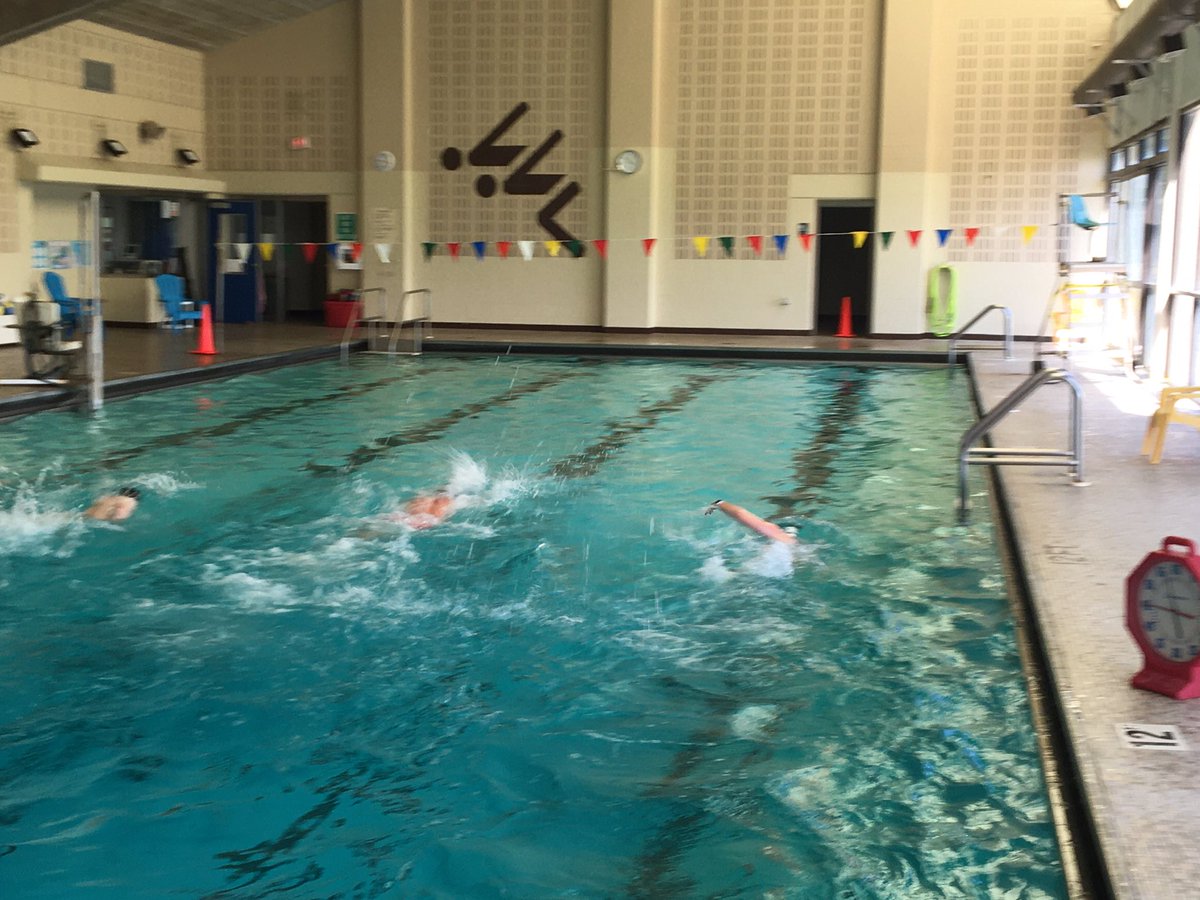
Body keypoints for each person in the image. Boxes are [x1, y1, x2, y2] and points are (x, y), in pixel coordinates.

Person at [705, 499, 796, 544]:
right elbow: (740, 514)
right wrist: (719, 504)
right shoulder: (785, 541)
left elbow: (740, 514)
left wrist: (719, 504)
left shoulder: (782, 539)